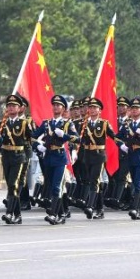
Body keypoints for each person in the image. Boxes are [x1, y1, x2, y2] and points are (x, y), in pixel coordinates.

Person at [33, 94, 81, 225]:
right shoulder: (46, 123)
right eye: (54, 105)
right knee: (50, 186)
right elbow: (32, 137)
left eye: (58, 105)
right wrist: (38, 145)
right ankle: (61, 214)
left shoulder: (67, 123)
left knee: (56, 187)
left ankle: (54, 214)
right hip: (48, 157)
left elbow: (77, 139)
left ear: (64, 108)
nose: (55, 107)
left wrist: (64, 135)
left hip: (60, 157)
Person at [114, 97, 140, 220]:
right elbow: (117, 138)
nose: (135, 110)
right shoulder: (127, 125)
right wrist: (122, 146)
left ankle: (135, 209)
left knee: (138, 183)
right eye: (133, 108)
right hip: (130, 155)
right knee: (135, 183)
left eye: (137, 108)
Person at [0, 94, 34, 224]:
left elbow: (32, 138)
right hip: (6, 156)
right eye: (9, 106)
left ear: (19, 108)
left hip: (19, 156)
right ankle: (17, 215)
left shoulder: (24, 123)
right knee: (11, 185)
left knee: (14, 184)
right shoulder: (2, 123)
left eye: (14, 106)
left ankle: (9, 213)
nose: (11, 108)